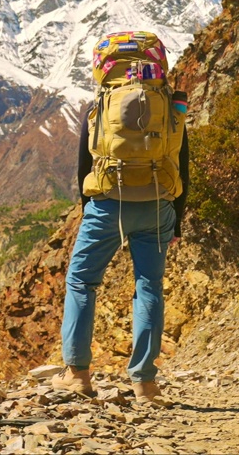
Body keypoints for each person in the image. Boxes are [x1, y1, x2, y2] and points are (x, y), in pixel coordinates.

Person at [51, 33, 190, 407]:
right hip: (158, 201)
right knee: (149, 287)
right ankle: (145, 384)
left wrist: (90, 210)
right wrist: (175, 219)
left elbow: (84, 163)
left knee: (82, 281)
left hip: (108, 203)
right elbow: (182, 164)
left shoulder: (100, 106)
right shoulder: (169, 106)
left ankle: (77, 375)